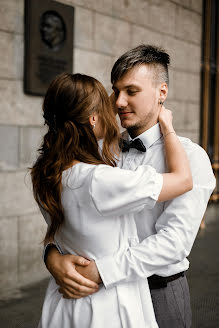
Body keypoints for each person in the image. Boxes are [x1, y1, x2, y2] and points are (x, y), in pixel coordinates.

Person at [45, 45, 216, 328]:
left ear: (162, 92)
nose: (118, 102)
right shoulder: (95, 151)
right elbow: (67, 215)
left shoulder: (192, 158)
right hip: (95, 298)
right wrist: (51, 255)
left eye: (132, 91)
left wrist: (101, 270)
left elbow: (174, 243)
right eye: (116, 90)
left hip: (158, 293)